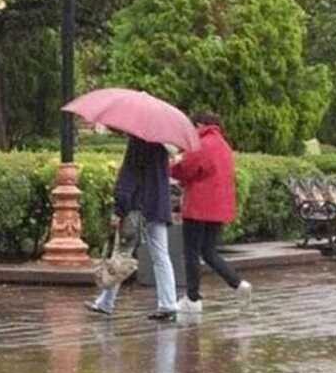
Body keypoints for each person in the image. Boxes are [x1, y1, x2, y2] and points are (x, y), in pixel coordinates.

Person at [85, 136, 180, 321]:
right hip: (158, 206)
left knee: (122, 254)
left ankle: (106, 303)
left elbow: (129, 177)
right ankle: (168, 304)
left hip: (137, 207)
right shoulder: (162, 145)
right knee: (161, 255)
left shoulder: (138, 142)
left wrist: (119, 209)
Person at [171, 113, 251, 313]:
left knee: (190, 252)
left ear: (199, 124)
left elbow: (187, 169)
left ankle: (192, 298)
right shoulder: (223, 145)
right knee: (208, 251)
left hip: (198, 207)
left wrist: (172, 164)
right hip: (219, 208)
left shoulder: (201, 143)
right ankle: (238, 283)